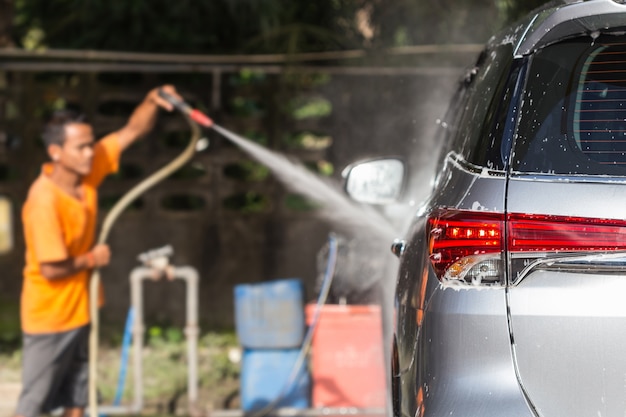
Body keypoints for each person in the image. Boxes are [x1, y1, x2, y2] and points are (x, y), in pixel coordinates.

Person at [14, 85, 182, 417]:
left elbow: (131, 131)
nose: (90, 153)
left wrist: (150, 99)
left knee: (78, 400)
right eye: (81, 147)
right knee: (33, 406)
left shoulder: (86, 174)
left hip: (82, 310)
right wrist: (93, 259)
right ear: (56, 152)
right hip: (49, 317)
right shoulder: (44, 201)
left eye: (91, 145)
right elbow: (50, 268)